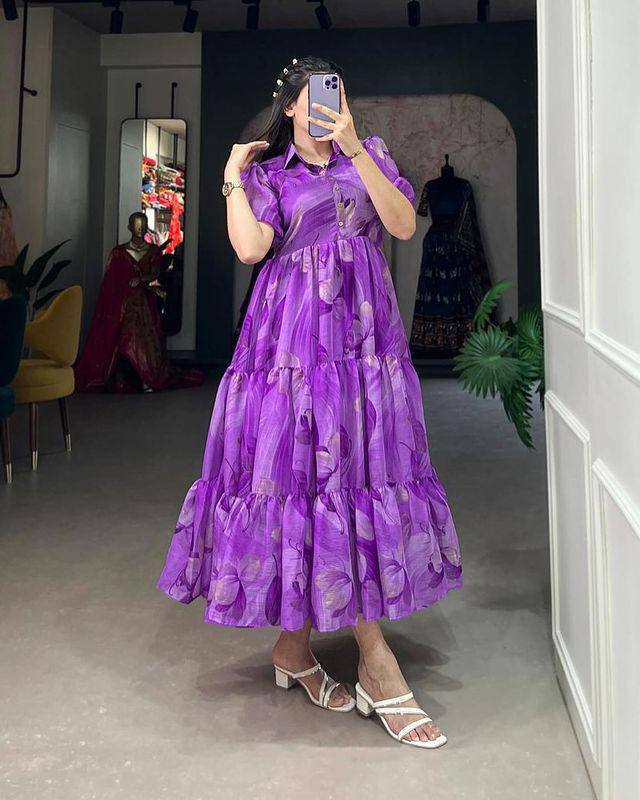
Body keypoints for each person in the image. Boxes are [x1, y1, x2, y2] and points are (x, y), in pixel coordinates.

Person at [156, 56, 463, 748]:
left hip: (363, 351)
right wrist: (231, 175)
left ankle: (293, 652)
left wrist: (356, 149)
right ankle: (376, 664)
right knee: (309, 480)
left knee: (351, 479)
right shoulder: (271, 176)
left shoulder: (370, 154)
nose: (330, 105)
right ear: (292, 107)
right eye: (318, 97)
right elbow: (250, 247)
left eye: (339, 94)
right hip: (291, 352)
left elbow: (402, 226)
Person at [74, 212, 203, 393]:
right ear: (130, 227)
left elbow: (155, 273)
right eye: (136, 225)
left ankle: (146, 374)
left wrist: (141, 279)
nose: (140, 228)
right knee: (122, 332)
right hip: (122, 302)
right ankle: (123, 373)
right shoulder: (119, 253)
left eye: (143, 224)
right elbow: (111, 281)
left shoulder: (152, 251)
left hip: (144, 301)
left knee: (145, 334)